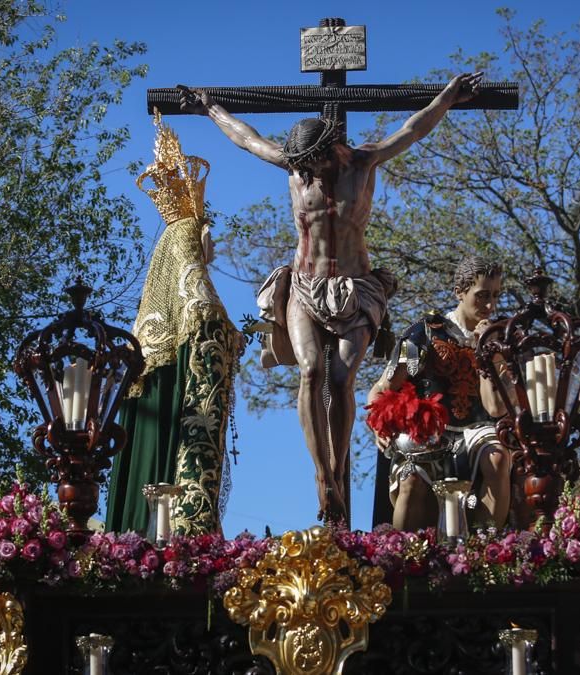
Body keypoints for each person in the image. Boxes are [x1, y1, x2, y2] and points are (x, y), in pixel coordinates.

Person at [179, 72, 484, 524]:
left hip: (355, 290)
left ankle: (338, 471)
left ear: (330, 149)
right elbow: (248, 139)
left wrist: (449, 96)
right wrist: (210, 107)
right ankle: (324, 477)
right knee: (310, 371)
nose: (304, 172)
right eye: (299, 165)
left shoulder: (363, 163)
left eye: (311, 164)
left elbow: (413, 128)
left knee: (340, 379)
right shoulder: (295, 167)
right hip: (305, 286)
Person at [105, 114, 242, 535]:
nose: (212, 246)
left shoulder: (147, 340)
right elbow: (211, 326)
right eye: (206, 236)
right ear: (188, 246)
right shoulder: (199, 308)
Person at [367, 255, 512, 531]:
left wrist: (488, 352)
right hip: (429, 431)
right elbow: (382, 388)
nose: (490, 305)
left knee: (498, 457)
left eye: (495, 295)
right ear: (460, 292)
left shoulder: (501, 340)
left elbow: (496, 408)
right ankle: (403, 551)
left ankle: (487, 547)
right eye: (482, 295)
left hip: (479, 430)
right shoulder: (424, 332)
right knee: (411, 480)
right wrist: (379, 424)